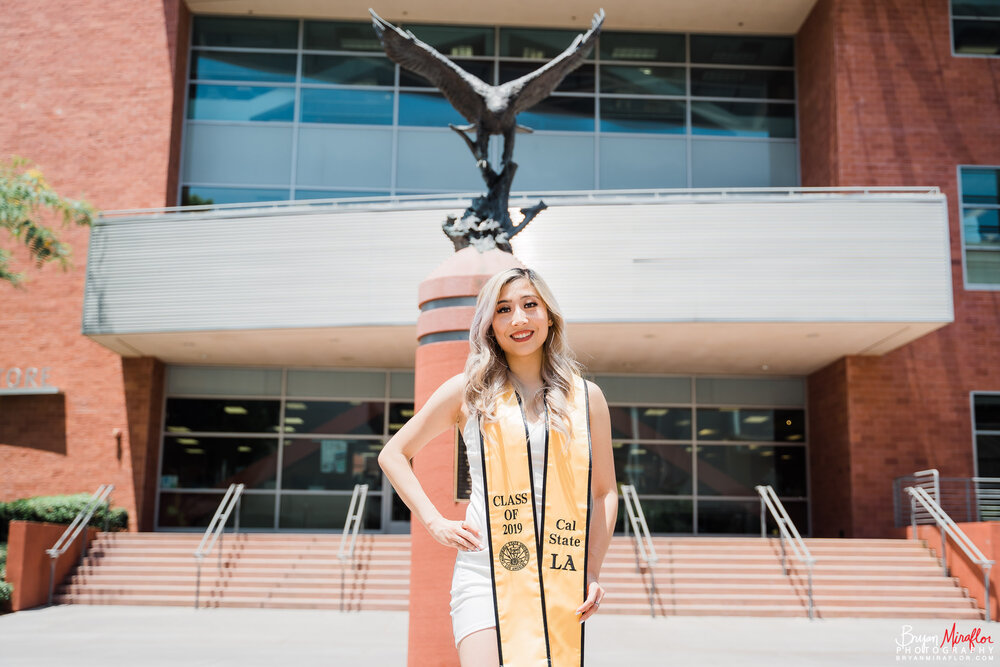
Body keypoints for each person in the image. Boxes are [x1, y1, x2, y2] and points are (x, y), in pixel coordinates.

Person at [378, 266, 617, 666]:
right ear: (489, 323)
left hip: (558, 571)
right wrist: (436, 522)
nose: (519, 319)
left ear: (549, 315)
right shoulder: (469, 391)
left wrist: (590, 568)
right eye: (504, 309)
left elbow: (604, 491)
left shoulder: (586, 398)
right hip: (487, 571)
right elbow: (394, 453)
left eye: (530, 305)